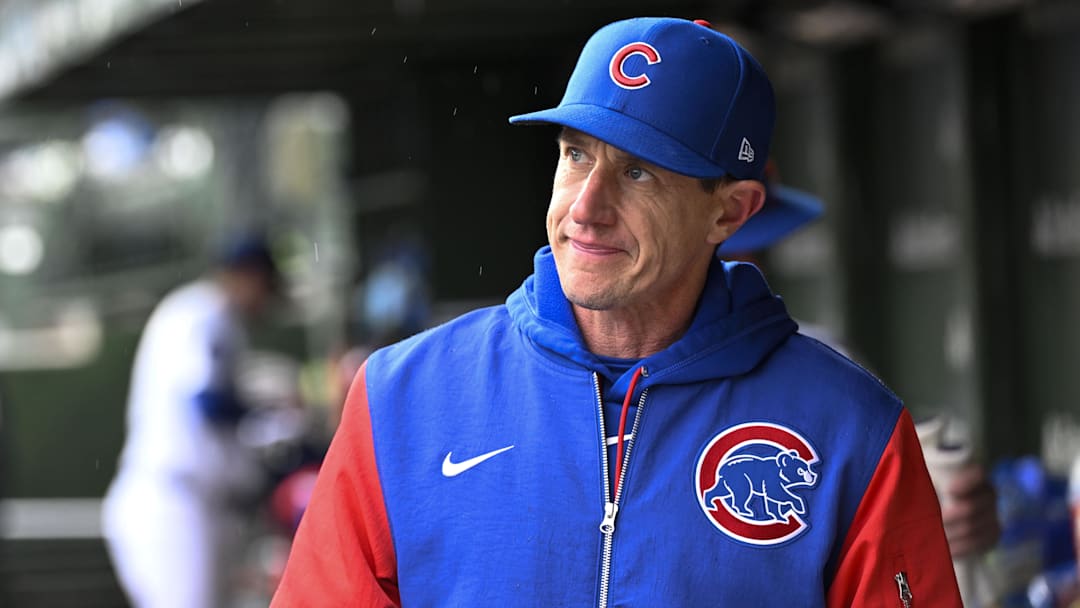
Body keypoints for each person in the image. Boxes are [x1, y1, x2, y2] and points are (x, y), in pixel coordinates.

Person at [273, 17, 962, 606]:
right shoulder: (403, 397)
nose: (586, 208)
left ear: (731, 210)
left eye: (638, 172)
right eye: (576, 155)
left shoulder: (850, 429)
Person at [721, 164, 1002, 603]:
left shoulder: (823, 359)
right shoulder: (594, 381)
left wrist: (959, 512)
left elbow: (903, 512)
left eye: (752, 245)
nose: (743, 264)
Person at [102, 233, 281, 608]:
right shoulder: (200, 312)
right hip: (170, 504)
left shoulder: (221, 319)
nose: (267, 299)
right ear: (246, 275)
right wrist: (269, 406)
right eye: (265, 285)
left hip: (196, 505)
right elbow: (206, 401)